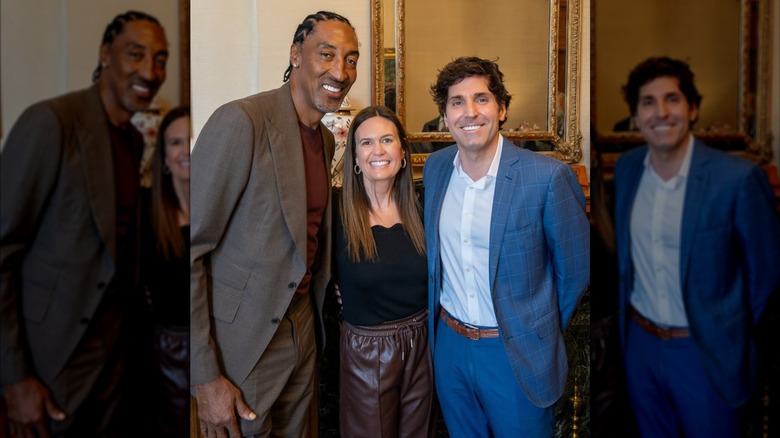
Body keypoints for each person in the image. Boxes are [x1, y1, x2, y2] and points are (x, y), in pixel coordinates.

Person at [190, 11, 359, 437]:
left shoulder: (323, 138)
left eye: (351, 59)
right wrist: (204, 375)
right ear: (295, 55)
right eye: (327, 54)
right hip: (239, 347)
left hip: (301, 332)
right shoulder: (241, 121)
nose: (341, 71)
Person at [0, 10, 168, 436]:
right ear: (105, 55)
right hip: (49, 362)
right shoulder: (51, 122)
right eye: (136, 54)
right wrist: (14, 378)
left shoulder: (133, 139)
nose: (150, 71)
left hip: (115, 363)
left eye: (161, 59)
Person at [613, 56, 780, 437]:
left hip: (705, 352)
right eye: (648, 102)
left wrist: (727, 330)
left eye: (672, 99)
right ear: (636, 117)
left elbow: (766, 274)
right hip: (641, 346)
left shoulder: (736, 179)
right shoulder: (627, 169)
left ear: (693, 108)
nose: (661, 112)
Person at [422, 56, 590, 436]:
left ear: (501, 109)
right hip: (450, 348)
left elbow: (575, 269)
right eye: (457, 102)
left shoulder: (546, 177)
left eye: (481, 99)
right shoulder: (435, 169)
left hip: (515, 353)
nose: (470, 112)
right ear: (445, 116)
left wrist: (533, 327)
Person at [334, 105, 434, 437]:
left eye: (387, 140)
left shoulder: (423, 206)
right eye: (366, 143)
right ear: (355, 159)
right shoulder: (336, 214)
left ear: (403, 153)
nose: (378, 150)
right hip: (367, 351)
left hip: (423, 343)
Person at [141, 106, 191, 436]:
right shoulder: (147, 210)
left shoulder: (220, 207)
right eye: (175, 143)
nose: (185, 151)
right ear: (163, 156)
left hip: (216, 350)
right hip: (164, 354)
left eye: (190, 139)